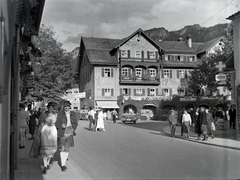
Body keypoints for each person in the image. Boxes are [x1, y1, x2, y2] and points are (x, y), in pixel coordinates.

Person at [56, 101, 78, 172]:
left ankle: (64, 161)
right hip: (62, 132)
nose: (66, 108)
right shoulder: (60, 113)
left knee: (67, 148)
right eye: (65, 107)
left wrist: (73, 128)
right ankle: (63, 165)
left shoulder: (73, 114)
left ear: (70, 107)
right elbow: (56, 123)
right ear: (63, 107)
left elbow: (75, 123)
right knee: (62, 148)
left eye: (68, 106)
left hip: (69, 131)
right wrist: (61, 126)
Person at [39, 102, 58, 174]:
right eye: (50, 107)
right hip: (45, 130)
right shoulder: (44, 114)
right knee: (44, 149)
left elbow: (57, 122)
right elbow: (41, 122)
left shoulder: (55, 115)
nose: (51, 108)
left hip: (52, 131)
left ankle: (47, 163)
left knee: (51, 150)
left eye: (52, 107)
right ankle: (45, 165)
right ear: (48, 107)